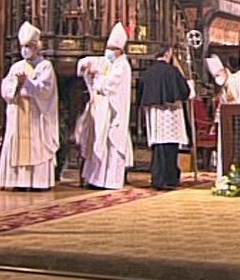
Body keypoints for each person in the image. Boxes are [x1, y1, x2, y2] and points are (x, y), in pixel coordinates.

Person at [0, 21, 59, 191]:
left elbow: (46, 90)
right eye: (22, 47)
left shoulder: (45, 66)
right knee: (16, 143)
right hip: (18, 111)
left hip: (35, 114)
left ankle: (37, 182)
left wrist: (27, 83)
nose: (25, 50)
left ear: (37, 47)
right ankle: (17, 181)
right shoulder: (16, 66)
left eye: (28, 47)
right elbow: (6, 88)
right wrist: (17, 86)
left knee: (36, 145)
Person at [75, 22, 134, 190]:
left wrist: (97, 77)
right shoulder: (109, 63)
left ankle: (110, 182)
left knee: (111, 146)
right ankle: (96, 179)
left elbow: (108, 86)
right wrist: (88, 69)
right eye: (107, 48)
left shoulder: (122, 66)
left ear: (119, 50)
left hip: (114, 115)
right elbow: (86, 64)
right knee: (98, 143)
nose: (108, 52)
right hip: (101, 112)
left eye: (111, 49)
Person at [138, 44, 193, 191]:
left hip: (154, 114)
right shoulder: (172, 71)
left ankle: (158, 178)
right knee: (170, 146)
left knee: (158, 146)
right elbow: (185, 91)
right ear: (168, 54)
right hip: (171, 113)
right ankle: (170, 178)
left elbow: (140, 94)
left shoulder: (147, 72)